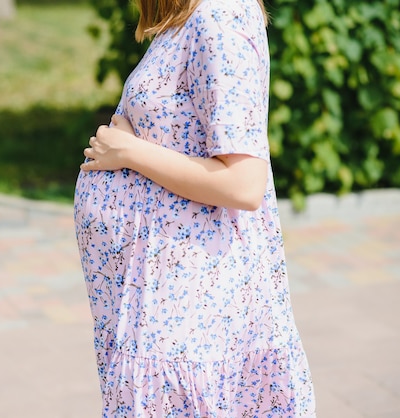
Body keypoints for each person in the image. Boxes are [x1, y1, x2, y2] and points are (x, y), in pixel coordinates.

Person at [74, 0, 316, 416]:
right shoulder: (188, 18)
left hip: (190, 309)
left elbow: (243, 183)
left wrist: (131, 152)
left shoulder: (220, 17)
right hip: (160, 298)